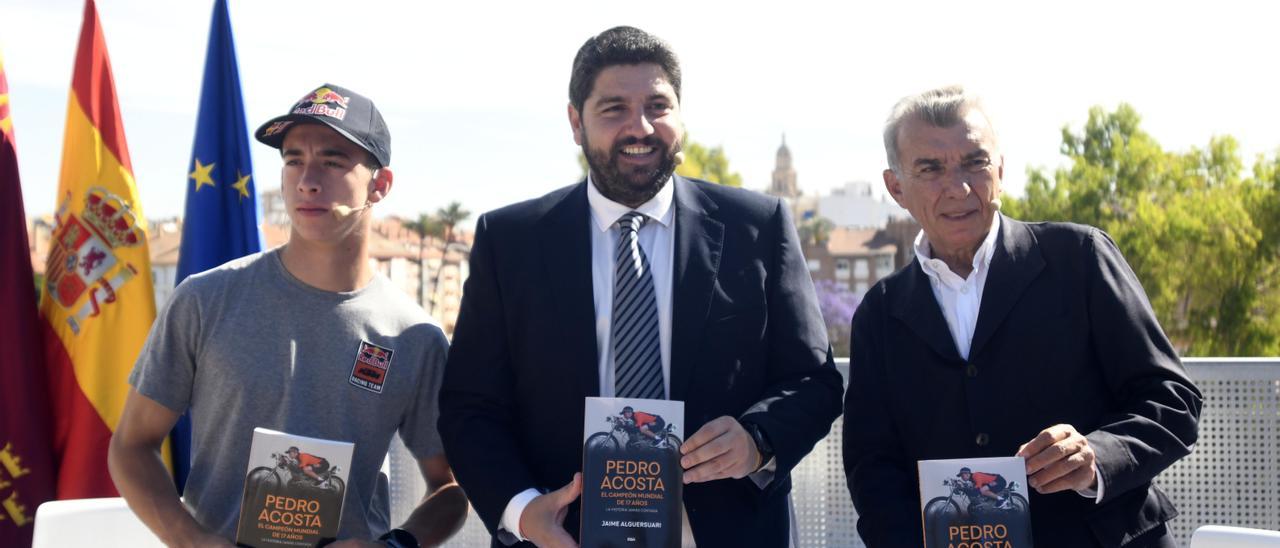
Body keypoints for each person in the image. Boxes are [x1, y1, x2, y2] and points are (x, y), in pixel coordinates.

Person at [438, 26, 843, 548]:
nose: (641, 127)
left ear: (682, 116)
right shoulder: (510, 241)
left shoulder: (757, 226)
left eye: (658, 105)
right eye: (614, 109)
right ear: (575, 122)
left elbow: (813, 381)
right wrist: (522, 511)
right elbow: (471, 407)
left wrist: (756, 441)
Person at [842, 85, 1202, 548]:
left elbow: (1173, 400)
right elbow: (873, 468)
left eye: (975, 161)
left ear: (1002, 169)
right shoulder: (879, 313)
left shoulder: (1081, 259)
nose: (959, 187)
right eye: (930, 168)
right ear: (896, 188)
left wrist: (1097, 455)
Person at [108, 83, 466, 548]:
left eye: (333, 162)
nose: (307, 179)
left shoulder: (414, 335)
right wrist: (191, 540)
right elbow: (131, 445)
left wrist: (397, 545)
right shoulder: (204, 300)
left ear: (380, 186)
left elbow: (450, 487)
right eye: (293, 159)